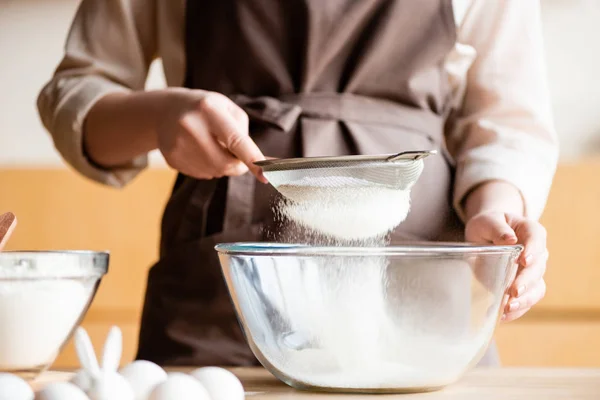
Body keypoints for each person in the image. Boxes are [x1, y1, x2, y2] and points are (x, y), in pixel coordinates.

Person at [38, 0, 558, 367]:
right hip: (220, 291)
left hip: (422, 282)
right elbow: (75, 93)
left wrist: (495, 208)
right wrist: (156, 117)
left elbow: (506, 121)